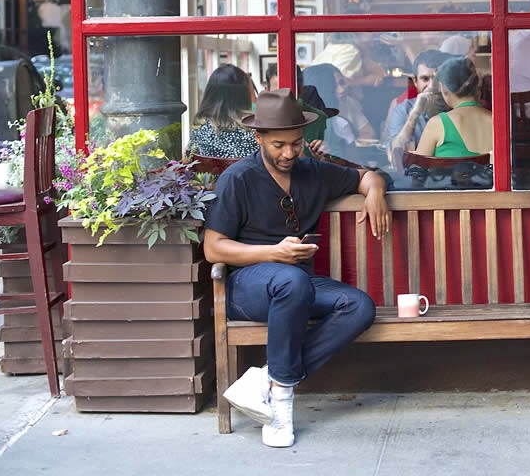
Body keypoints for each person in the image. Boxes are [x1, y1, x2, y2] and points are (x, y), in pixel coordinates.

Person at [205, 89, 390, 449]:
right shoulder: (238, 178)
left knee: (359, 307)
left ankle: (271, 381)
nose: (289, 153)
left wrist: (376, 191)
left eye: (296, 143)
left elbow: (366, 177)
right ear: (258, 138)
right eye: (278, 145)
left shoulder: (312, 172)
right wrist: (272, 252)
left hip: (297, 285)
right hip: (248, 288)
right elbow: (213, 247)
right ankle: (282, 411)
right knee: (291, 279)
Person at [383, 49, 451, 167]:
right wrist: (414, 114)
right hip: (415, 180)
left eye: (437, 79)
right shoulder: (404, 110)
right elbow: (395, 159)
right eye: (425, 79)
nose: (431, 86)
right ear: (415, 81)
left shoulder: (456, 108)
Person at [415, 56, 493, 157]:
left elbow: (416, 169)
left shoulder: (438, 124)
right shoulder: (497, 122)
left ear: (444, 89)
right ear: (476, 85)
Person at [187, 64, 259, 159]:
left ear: (210, 93)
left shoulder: (199, 128)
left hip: (209, 174)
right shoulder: (255, 129)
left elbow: (188, 159)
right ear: (244, 94)